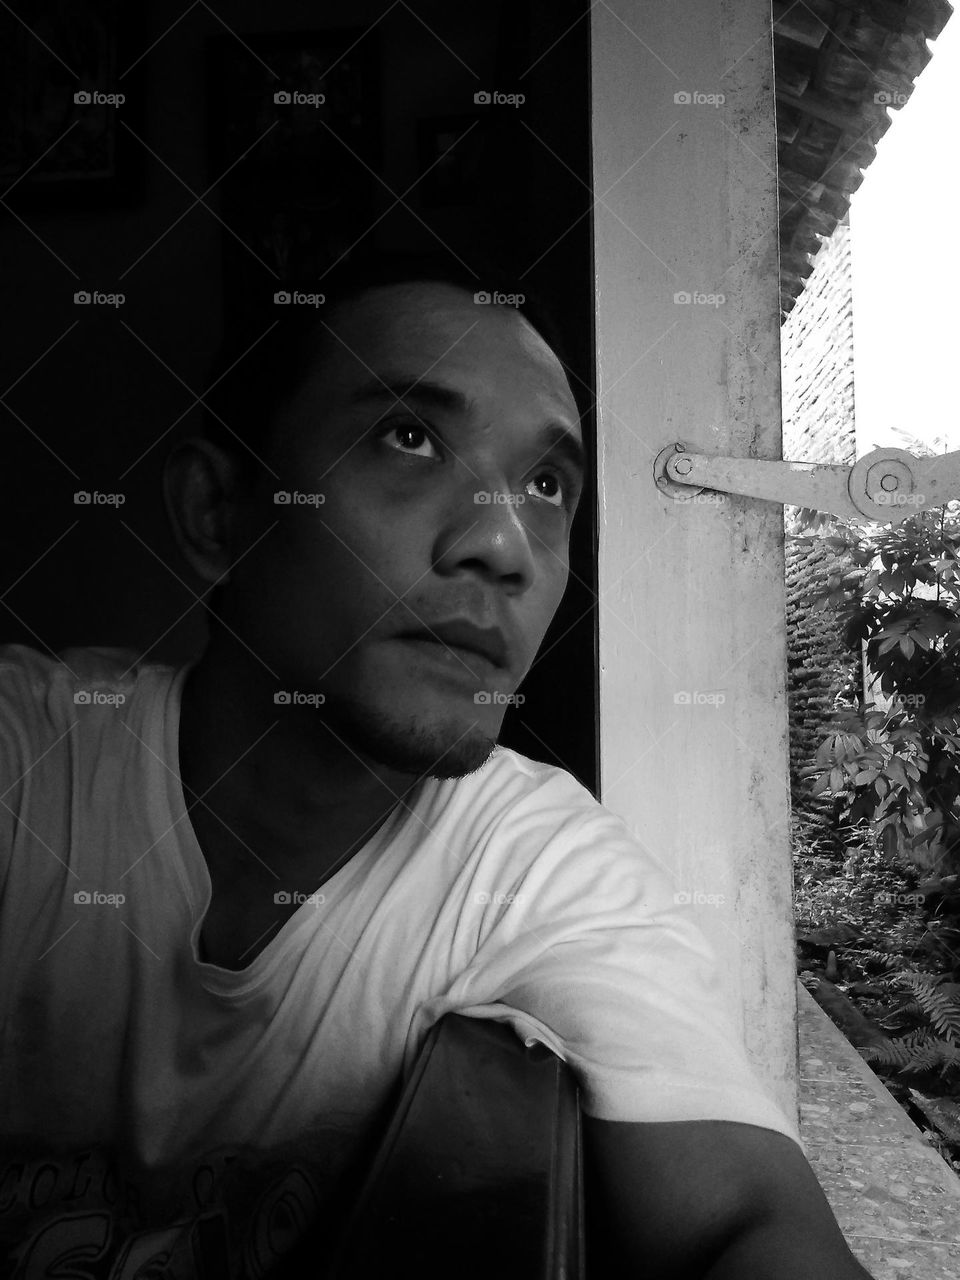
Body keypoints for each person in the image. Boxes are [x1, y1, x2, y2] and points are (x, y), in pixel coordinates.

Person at [0, 251, 873, 1278]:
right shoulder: (33, 758)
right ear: (217, 513)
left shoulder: (537, 866)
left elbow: (746, 1224)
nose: (503, 544)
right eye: (409, 437)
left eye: (546, 484)